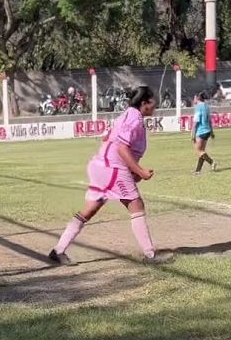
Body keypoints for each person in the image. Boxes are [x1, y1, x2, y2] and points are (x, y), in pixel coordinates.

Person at [48, 86, 173, 265]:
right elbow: (122, 148)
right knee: (136, 205)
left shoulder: (127, 115)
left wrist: (131, 171)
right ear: (144, 103)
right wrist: (140, 171)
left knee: (89, 210)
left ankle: (58, 250)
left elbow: (112, 142)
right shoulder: (134, 119)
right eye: (153, 101)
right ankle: (150, 255)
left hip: (101, 165)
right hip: (112, 168)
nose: (155, 105)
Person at [192, 91, 217, 174]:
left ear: (198, 98)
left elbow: (196, 122)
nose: (193, 99)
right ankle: (198, 170)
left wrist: (192, 134)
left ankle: (212, 162)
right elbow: (209, 121)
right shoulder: (206, 107)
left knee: (199, 151)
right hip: (207, 131)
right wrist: (212, 132)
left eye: (194, 97)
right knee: (202, 151)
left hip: (201, 131)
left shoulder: (198, 107)